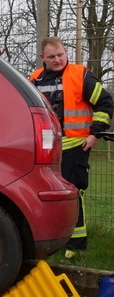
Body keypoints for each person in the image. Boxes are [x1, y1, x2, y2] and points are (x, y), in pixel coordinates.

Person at [29, 37, 112, 257]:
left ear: (66, 53)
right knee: (45, 194)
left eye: (60, 55)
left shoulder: (80, 75)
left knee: (72, 193)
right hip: (45, 149)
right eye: (51, 57)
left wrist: (95, 134)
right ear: (42, 58)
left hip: (76, 145)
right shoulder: (35, 79)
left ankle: (77, 244)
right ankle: (49, 238)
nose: (57, 60)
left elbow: (105, 104)